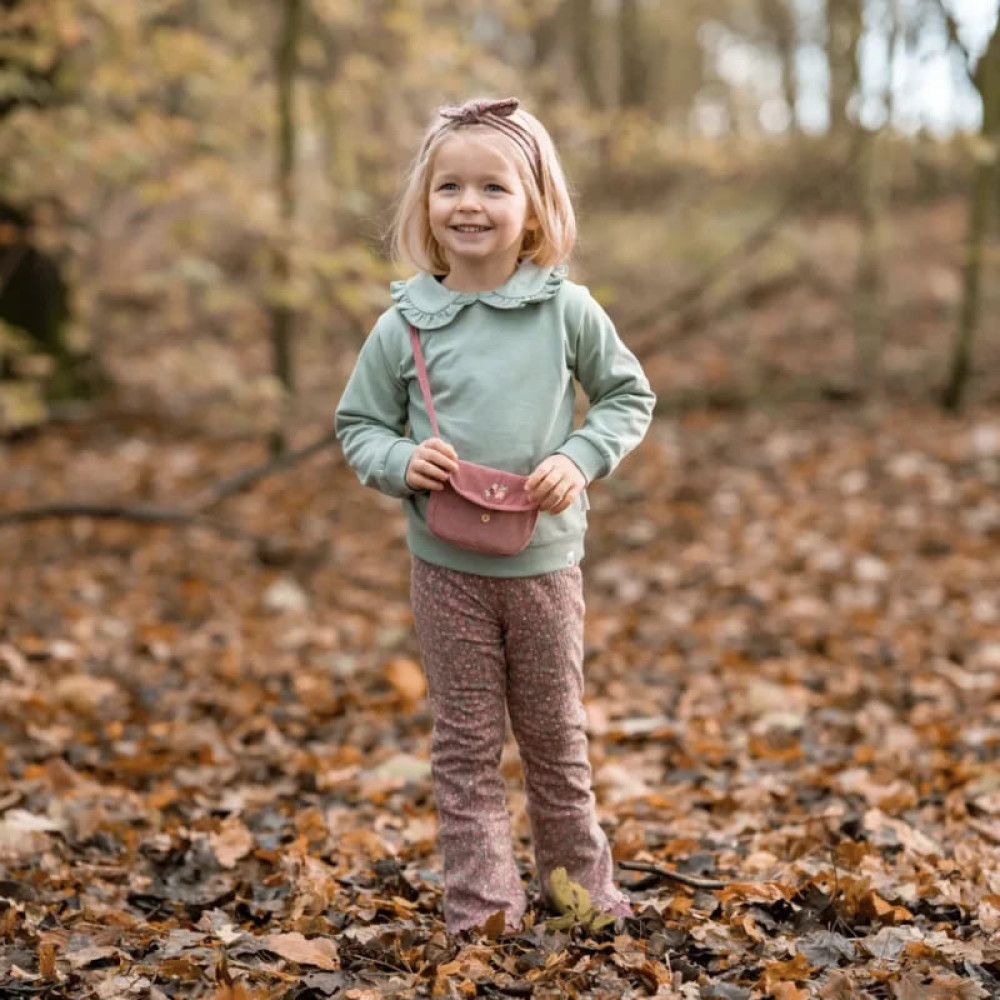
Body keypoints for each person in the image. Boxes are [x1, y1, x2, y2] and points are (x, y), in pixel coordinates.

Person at [335, 96, 655, 936]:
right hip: (446, 571)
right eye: (449, 187)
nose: (468, 204)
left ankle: (576, 889)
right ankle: (483, 907)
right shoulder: (404, 323)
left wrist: (577, 458)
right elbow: (358, 424)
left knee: (555, 735)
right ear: (426, 206)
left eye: (493, 187)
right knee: (466, 743)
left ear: (535, 208)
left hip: (545, 564)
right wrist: (399, 462)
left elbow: (627, 396)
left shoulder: (566, 310)